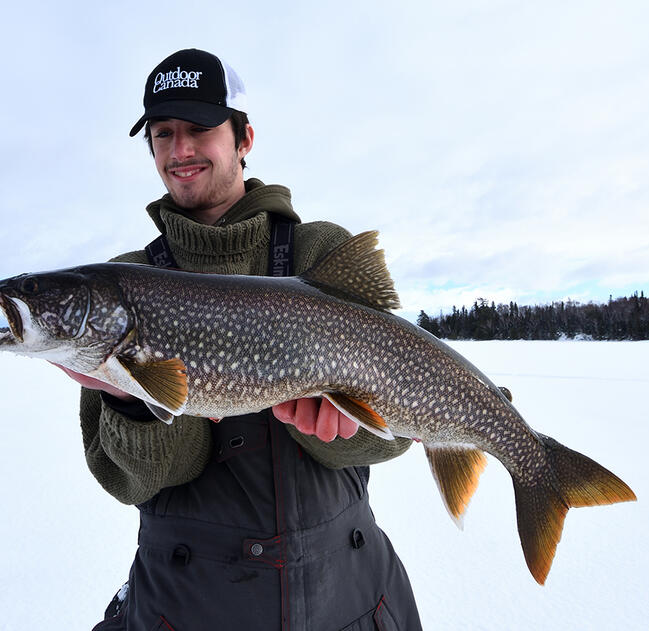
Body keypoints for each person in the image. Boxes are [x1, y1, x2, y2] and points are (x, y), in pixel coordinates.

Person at [61, 48, 423, 631]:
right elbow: (131, 482)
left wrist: (340, 436)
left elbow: (395, 432)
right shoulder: (121, 284)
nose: (179, 150)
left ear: (244, 137)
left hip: (350, 598)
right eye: (162, 133)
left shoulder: (319, 253)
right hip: (185, 608)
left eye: (199, 129)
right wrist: (133, 400)